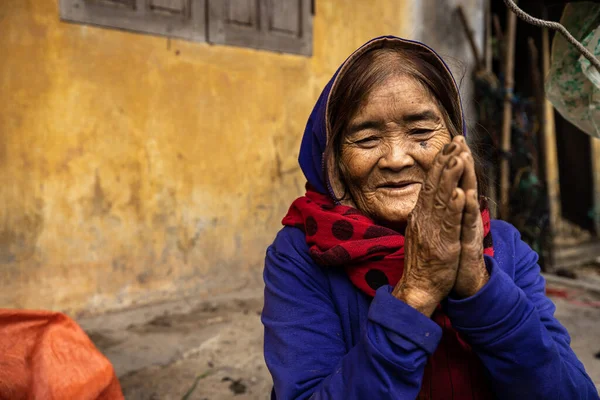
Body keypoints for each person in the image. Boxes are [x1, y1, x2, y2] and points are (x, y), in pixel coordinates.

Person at [261, 36, 598, 399]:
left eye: (421, 132)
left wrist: (477, 284)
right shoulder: (301, 253)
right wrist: (417, 291)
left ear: (455, 142)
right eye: (366, 139)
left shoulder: (504, 247)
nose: (396, 159)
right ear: (332, 161)